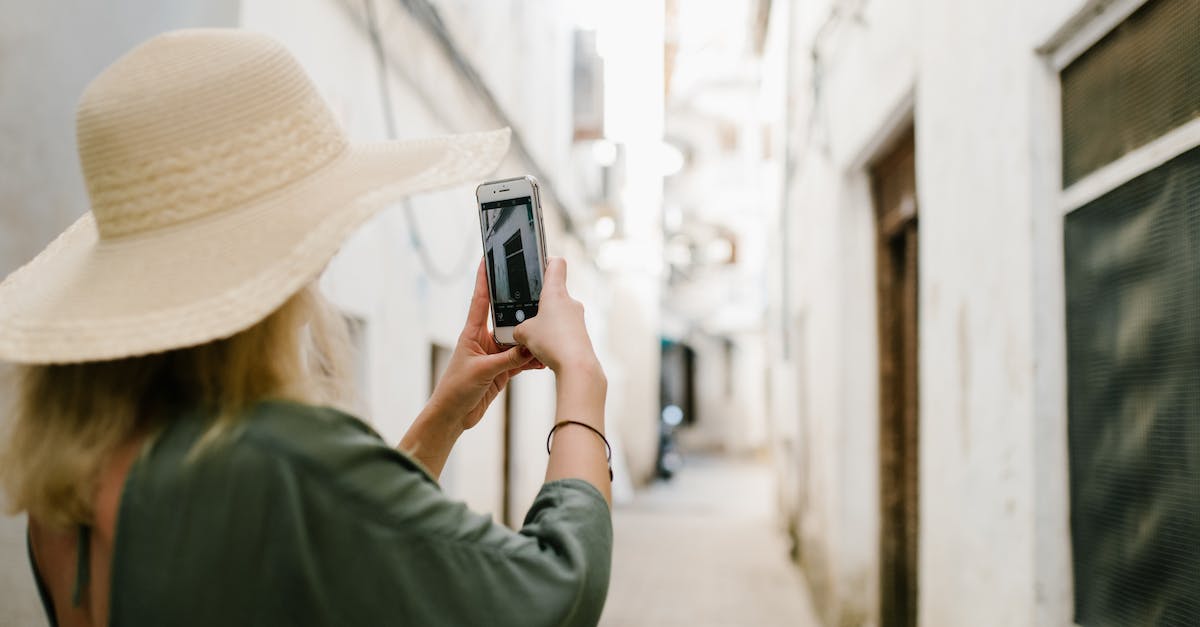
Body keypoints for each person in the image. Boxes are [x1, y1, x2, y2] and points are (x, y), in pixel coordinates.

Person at [0, 29, 612, 627]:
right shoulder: (278, 459)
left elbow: (341, 542)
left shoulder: (71, 472)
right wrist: (581, 379)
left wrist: (444, 414)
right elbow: (557, 591)